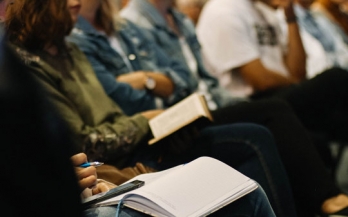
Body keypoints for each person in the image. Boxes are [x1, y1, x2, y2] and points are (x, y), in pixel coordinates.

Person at [4, 0, 295, 216]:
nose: (76, 2)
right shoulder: (27, 65)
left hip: (136, 147)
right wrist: (146, 119)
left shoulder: (72, 51)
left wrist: (154, 116)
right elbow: (89, 143)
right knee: (254, 137)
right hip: (115, 162)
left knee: (250, 181)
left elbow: (175, 79)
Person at [121, 0, 348, 216]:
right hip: (178, 118)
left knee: (309, 128)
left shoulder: (180, 19)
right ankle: (329, 200)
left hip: (215, 103)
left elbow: (206, 81)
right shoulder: (137, 22)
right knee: (291, 104)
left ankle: (323, 203)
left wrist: (290, 19)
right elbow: (171, 87)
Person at [276, 0, 348, 78]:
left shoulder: (319, 12)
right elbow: (315, 65)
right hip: (325, 79)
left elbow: (341, 46)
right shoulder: (283, 20)